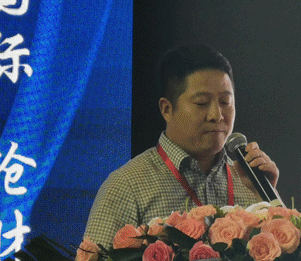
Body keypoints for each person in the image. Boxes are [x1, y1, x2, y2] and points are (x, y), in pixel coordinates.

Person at [83, 44, 279, 248]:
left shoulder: (250, 180)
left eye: (225, 101)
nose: (217, 115)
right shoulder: (126, 186)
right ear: (167, 109)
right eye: (202, 103)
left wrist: (266, 199)